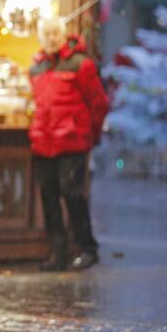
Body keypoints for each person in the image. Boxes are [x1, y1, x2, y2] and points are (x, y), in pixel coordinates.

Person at [29, 16, 109, 271]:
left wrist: (90, 135)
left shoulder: (81, 65)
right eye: (46, 33)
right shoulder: (38, 68)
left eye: (55, 32)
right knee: (49, 198)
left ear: (63, 34)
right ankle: (58, 251)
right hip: (44, 141)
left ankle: (87, 248)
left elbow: (99, 104)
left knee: (73, 195)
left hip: (72, 141)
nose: (51, 38)